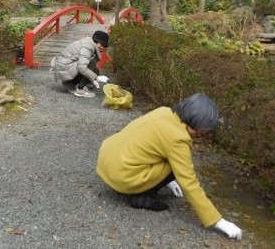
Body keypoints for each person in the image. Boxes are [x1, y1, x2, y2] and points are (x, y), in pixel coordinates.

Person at [96, 93, 243, 240]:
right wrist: (218, 221)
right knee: (179, 165)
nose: (199, 134)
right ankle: (141, 197)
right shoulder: (178, 139)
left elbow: (150, 148)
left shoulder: (164, 111)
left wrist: (168, 181)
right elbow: (189, 183)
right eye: (199, 130)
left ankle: (146, 186)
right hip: (122, 177)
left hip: (106, 162)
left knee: (172, 160)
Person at [50, 30, 110, 98]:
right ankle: (80, 89)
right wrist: (97, 78)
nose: (103, 48)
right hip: (63, 68)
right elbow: (81, 68)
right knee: (92, 62)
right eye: (102, 45)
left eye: (104, 46)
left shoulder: (88, 43)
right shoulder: (88, 46)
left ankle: (70, 83)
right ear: (97, 42)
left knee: (95, 70)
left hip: (63, 67)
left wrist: (93, 78)